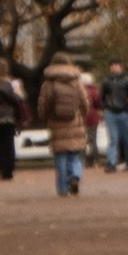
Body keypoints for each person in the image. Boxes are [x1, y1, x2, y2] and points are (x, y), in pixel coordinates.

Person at [37, 48, 91, 196]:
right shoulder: (76, 80)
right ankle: (75, 176)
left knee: (61, 156)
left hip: (56, 122)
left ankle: (62, 189)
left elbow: (43, 103)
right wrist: (83, 114)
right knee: (75, 154)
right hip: (75, 120)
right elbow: (84, 101)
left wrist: (44, 117)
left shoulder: (48, 82)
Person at [96, 59, 128, 173]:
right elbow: (102, 97)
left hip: (124, 112)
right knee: (113, 138)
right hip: (111, 112)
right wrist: (104, 108)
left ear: (121, 67)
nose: (114, 67)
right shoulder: (106, 82)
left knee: (127, 138)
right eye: (112, 65)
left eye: (116, 65)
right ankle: (111, 162)